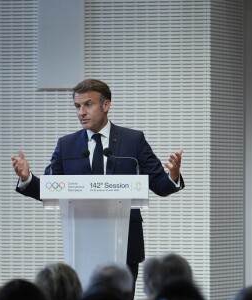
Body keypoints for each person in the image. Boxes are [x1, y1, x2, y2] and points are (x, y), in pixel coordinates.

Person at [11, 78, 185, 288]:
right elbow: (49, 188)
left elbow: (158, 183)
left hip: (125, 240)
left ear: (106, 105)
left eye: (88, 104)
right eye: (77, 106)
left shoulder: (133, 140)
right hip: (81, 240)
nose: (81, 112)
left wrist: (172, 176)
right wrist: (27, 178)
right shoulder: (66, 145)